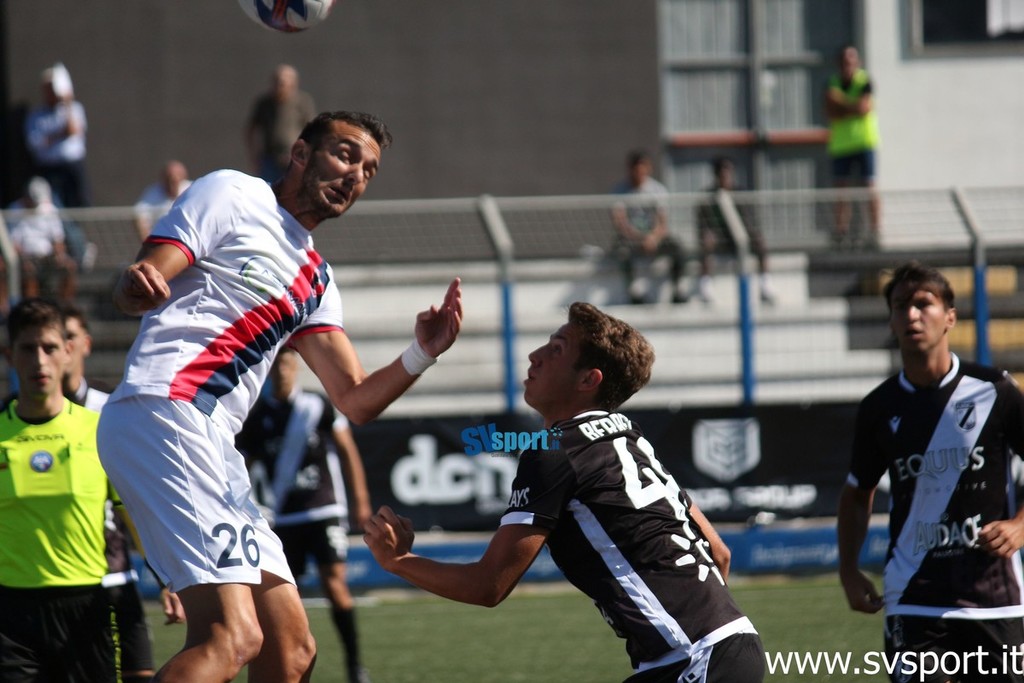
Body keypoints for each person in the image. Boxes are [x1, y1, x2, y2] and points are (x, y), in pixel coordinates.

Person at [96, 110, 463, 682]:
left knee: (291, 651)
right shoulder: (233, 193)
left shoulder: (316, 278)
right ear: (300, 153)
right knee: (231, 637)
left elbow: (356, 400)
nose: (355, 175)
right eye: (345, 155)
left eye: (368, 170)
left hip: (211, 441)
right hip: (165, 411)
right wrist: (133, 284)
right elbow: (142, 281)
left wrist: (422, 353)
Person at [365, 302, 765, 683]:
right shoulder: (630, 437)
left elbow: (487, 585)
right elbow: (718, 553)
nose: (534, 356)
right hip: (723, 646)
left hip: (692, 660)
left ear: (588, 380)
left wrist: (398, 560)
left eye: (556, 349)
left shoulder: (554, 451)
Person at [837, 261, 1024, 683]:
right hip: (913, 598)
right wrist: (848, 569)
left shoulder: (995, 391)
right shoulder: (879, 407)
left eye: (924, 303)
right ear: (891, 322)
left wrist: (1020, 525)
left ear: (950, 317)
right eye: (901, 306)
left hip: (996, 600)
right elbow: (856, 493)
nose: (912, 315)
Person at [237, 346, 373, 683]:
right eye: (277, 364)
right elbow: (242, 466)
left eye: (288, 362)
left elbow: (347, 450)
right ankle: (288, 663)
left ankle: (355, 665)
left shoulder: (316, 405)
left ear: (296, 365)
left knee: (335, 583)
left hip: (324, 508)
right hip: (283, 517)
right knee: (285, 599)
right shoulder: (257, 417)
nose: (282, 370)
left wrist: (360, 499)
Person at [0, 298, 117, 681]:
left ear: (68, 351)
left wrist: (169, 578)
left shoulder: (100, 430)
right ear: (9, 355)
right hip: (9, 613)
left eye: (49, 348)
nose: (39, 361)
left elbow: (133, 512)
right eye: (27, 348)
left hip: (86, 606)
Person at [61, 301, 163, 683]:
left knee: (139, 674)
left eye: (69, 338)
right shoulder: (19, 420)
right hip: (55, 583)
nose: (62, 350)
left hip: (116, 575)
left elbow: (136, 499)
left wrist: (162, 571)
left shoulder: (112, 408)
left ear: (84, 344)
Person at [611, 150, 689, 305]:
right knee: (621, 250)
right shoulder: (619, 190)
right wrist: (639, 238)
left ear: (648, 169)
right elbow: (620, 222)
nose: (639, 175)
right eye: (636, 171)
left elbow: (663, 222)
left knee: (677, 247)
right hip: (632, 239)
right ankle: (634, 292)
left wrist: (653, 237)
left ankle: (678, 289)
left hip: (654, 237)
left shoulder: (657, 190)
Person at [694, 157, 774, 305]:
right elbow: (702, 224)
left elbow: (748, 221)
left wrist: (748, 235)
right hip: (719, 239)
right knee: (706, 242)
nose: (726, 178)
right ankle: (705, 287)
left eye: (729, 173)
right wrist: (709, 234)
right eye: (723, 174)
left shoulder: (740, 194)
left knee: (760, 241)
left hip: (739, 236)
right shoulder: (707, 197)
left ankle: (765, 285)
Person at [825, 45, 881, 250]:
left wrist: (842, 104)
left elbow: (864, 108)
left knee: (869, 186)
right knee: (841, 191)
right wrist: (852, 107)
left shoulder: (864, 81)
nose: (848, 66)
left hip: (864, 142)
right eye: (844, 62)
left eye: (851, 62)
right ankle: (841, 232)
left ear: (857, 63)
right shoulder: (832, 82)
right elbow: (831, 111)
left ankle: (875, 232)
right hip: (841, 145)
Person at [1, 176, 77, 312]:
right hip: (25, 256)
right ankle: (31, 310)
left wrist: (60, 255)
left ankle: (65, 308)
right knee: (28, 271)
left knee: (69, 266)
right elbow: (13, 243)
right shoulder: (15, 210)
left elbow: (58, 239)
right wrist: (24, 259)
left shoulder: (50, 210)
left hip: (47, 256)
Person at [23, 63, 91, 208]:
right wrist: (59, 134)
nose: (52, 92)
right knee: (54, 205)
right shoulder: (36, 116)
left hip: (73, 168)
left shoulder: (74, 108)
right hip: (49, 169)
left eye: (54, 87)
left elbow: (73, 130)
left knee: (80, 203)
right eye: (48, 89)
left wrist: (67, 103)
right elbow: (36, 143)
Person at [246, 64, 317, 183]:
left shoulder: (302, 102)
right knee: (268, 189)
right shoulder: (264, 103)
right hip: (269, 159)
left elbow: (312, 130)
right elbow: (251, 130)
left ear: (293, 84)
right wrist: (254, 157)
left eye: (283, 83)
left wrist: (306, 155)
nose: (279, 86)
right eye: (276, 82)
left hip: (293, 159)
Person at [133, 160, 192, 241]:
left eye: (177, 177)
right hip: (161, 239)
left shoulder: (191, 189)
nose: (173, 180)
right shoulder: (153, 192)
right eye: (169, 178)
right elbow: (139, 216)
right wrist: (149, 242)